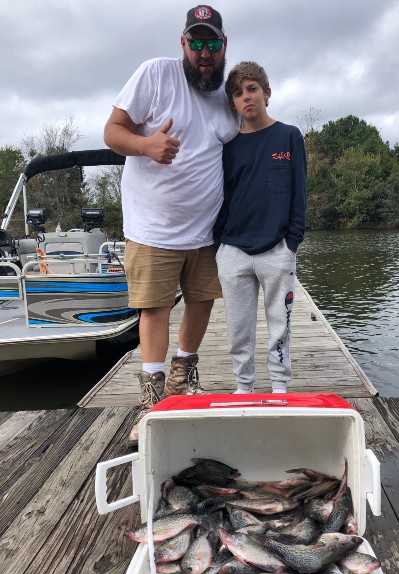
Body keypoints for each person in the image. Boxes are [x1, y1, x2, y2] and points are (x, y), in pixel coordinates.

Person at [104, 6, 239, 444]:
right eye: (196, 42)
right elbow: (112, 130)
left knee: (202, 302)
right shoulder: (155, 75)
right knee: (154, 309)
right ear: (182, 44)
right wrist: (146, 145)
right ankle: (151, 400)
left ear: (224, 47)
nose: (204, 52)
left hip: (205, 230)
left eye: (212, 44)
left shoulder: (226, 98)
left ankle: (183, 379)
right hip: (153, 227)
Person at [214, 61, 307, 394]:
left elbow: (300, 193)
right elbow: (219, 198)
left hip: (277, 250)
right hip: (234, 251)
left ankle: (280, 386)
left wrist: (292, 242)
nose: (246, 98)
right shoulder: (227, 146)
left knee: (280, 324)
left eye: (252, 89)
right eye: (238, 94)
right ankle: (244, 387)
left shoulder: (289, 136)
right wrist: (219, 246)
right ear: (233, 103)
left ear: (267, 93)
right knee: (239, 329)